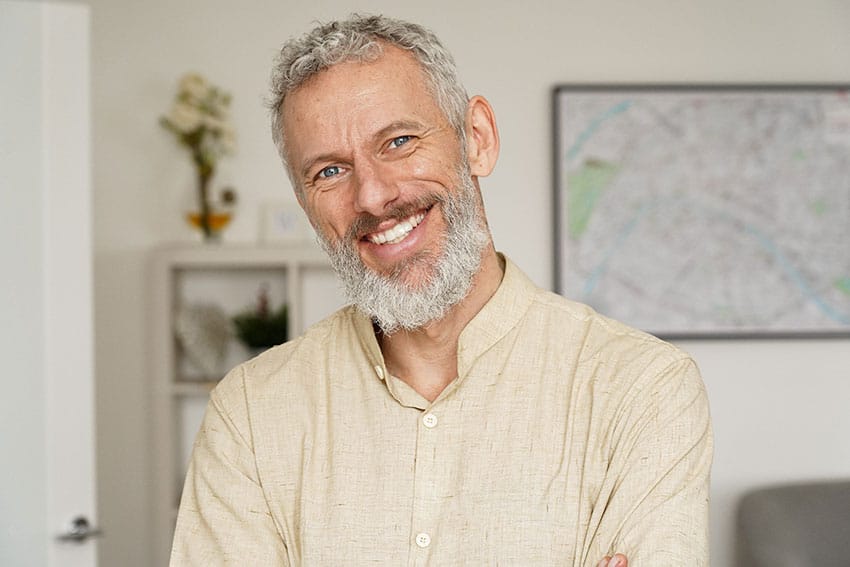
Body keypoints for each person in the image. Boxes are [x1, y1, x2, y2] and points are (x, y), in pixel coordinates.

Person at [170, 14, 712, 567]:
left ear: (477, 139)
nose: (374, 197)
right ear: (306, 202)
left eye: (399, 141)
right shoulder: (251, 414)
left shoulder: (642, 390)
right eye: (330, 172)